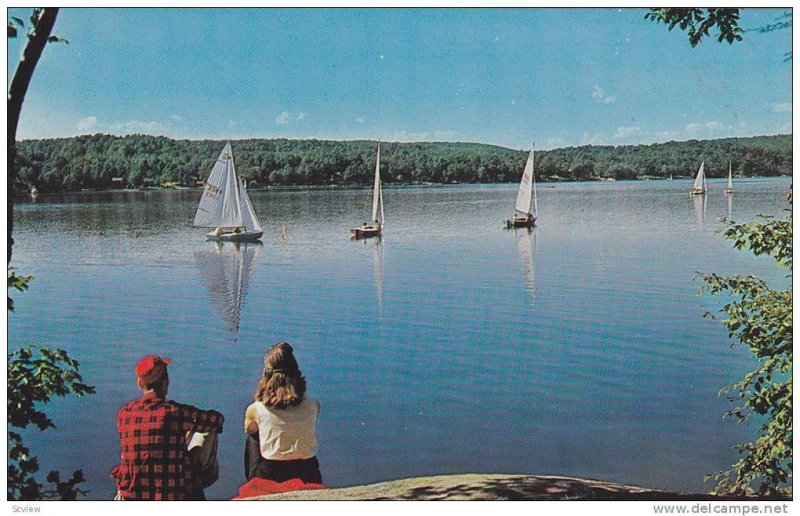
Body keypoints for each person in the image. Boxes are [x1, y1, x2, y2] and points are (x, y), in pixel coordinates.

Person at [110, 355, 225, 500]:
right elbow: (217, 420)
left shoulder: (124, 414)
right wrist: (190, 429)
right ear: (166, 381)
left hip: (132, 496)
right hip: (172, 496)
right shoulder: (175, 412)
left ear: (140, 383)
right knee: (208, 431)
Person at [243, 342, 322, 484]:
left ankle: (252, 485)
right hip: (307, 471)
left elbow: (249, 429)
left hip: (271, 473)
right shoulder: (313, 405)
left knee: (253, 436)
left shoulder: (256, 408)